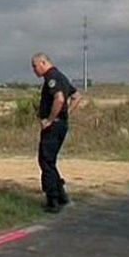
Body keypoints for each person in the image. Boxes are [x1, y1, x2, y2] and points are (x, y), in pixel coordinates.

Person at [31, 52, 83, 213]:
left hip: (53, 127)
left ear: (43, 62)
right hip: (61, 125)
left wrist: (51, 119)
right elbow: (76, 96)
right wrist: (66, 114)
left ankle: (52, 199)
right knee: (50, 161)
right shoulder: (61, 76)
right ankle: (61, 195)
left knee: (45, 161)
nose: (34, 70)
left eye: (35, 66)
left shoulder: (51, 77)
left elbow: (59, 99)